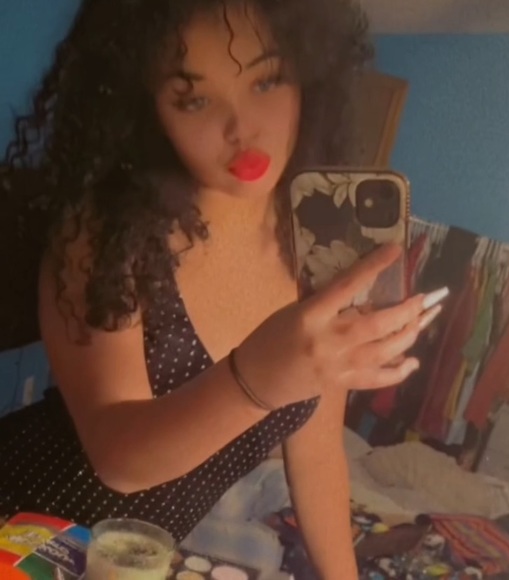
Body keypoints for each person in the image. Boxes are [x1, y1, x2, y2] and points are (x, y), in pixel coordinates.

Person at [0, 0, 443, 577]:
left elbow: (317, 457)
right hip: (25, 528)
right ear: (147, 107)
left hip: (132, 562)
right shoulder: (108, 232)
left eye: (267, 80)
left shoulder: (316, 246)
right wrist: (256, 378)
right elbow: (119, 461)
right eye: (194, 100)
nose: (241, 128)